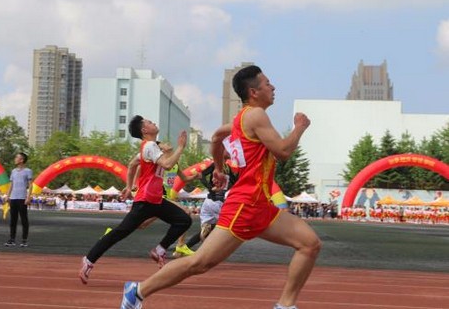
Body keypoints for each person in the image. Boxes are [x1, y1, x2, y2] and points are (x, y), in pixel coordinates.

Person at [120, 65, 322, 309]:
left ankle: (285, 305)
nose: (273, 87)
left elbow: (216, 137)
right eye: (267, 83)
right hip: (244, 206)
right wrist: (300, 126)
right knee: (201, 263)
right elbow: (282, 151)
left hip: (261, 206)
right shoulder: (256, 116)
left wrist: (218, 168)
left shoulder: (241, 119)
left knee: (310, 244)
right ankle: (138, 291)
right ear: (253, 91)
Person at [79, 116, 192, 285]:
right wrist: (181, 147)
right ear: (144, 131)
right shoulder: (149, 146)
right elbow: (168, 165)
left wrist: (129, 186)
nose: (152, 122)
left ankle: (159, 250)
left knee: (184, 220)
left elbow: (132, 165)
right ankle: (88, 260)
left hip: (156, 201)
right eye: (148, 122)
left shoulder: (151, 148)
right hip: (145, 202)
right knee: (119, 233)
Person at [4, 152, 33, 248]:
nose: (15, 159)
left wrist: (28, 197)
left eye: (17, 157)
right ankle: (12, 239)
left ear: (22, 160)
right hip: (13, 198)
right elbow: (11, 185)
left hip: (22, 198)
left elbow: (30, 185)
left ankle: (24, 240)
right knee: (13, 220)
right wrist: (7, 196)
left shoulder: (28, 171)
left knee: (24, 219)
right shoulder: (13, 171)